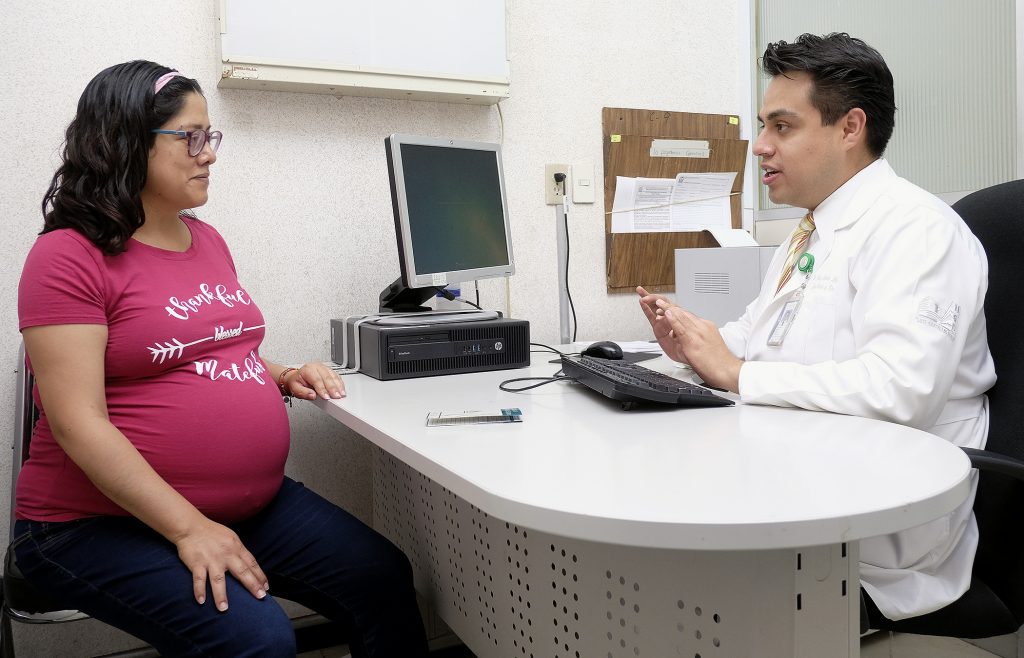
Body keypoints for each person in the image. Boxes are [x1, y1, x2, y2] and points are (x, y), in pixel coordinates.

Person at [15, 60, 429, 657]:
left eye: (210, 136)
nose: (208, 153)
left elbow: (215, 349)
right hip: (94, 524)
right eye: (190, 137)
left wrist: (283, 374)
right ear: (125, 142)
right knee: (257, 640)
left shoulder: (204, 239)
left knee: (381, 577)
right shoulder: (67, 256)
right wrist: (189, 528)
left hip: (245, 507)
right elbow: (78, 423)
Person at [638, 33, 995, 622]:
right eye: (764, 126)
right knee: (659, 509)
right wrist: (699, 346)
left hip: (886, 518)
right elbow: (758, 335)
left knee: (679, 568)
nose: (760, 146)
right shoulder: (809, 231)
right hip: (810, 468)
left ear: (850, 127)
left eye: (782, 127)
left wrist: (738, 373)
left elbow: (901, 390)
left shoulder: (918, 231)